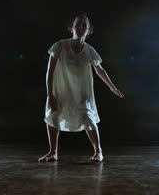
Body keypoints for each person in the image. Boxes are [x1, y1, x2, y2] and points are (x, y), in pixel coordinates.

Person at [38, 14, 124, 162]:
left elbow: (99, 70)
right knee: (53, 115)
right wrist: (50, 94)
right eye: (78, 24)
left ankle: (98, 152)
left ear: (89, 30)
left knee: (88, 118)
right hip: (61, 90)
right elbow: (50, 71)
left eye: (84, 25)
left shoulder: (89, 51)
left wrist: (112, 87)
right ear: (71, 28)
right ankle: (53, 152)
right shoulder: (60, 46)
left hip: (81, 93)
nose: (80, 27)